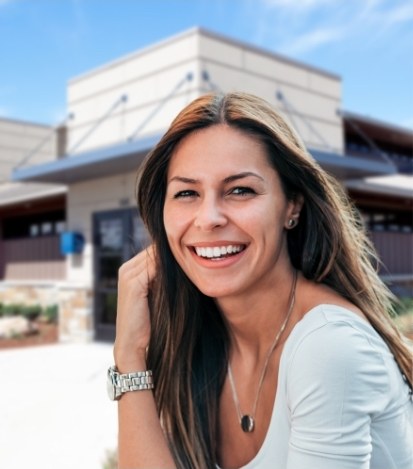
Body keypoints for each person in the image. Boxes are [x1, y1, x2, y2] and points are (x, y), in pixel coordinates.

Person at [110, 91, 413, 469]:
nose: (208, 218)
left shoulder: (329, 346)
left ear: (292, 206)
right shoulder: (198, 339)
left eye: (240, 190)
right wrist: (129, 354)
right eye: (187, 193)